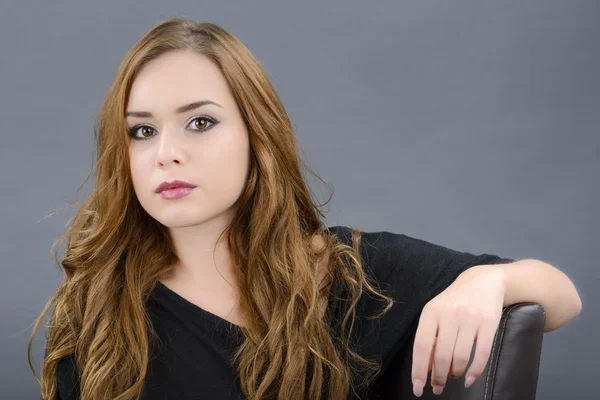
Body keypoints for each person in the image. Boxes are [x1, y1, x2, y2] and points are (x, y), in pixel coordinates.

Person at [28, 17, 582, 400]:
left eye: (200, 122)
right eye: (142, 131)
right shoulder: (101, 304)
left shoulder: (345, 273)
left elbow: (560, 296)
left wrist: (487, 283)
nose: (166, 153)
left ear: (256, 134)